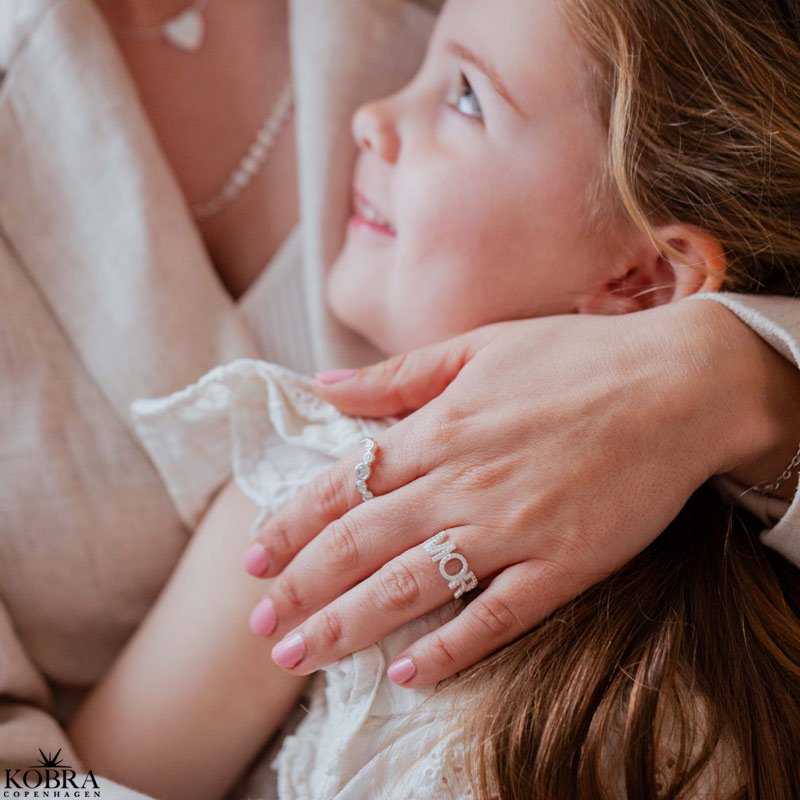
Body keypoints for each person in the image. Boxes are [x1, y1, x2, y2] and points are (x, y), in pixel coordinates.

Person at [1, 0, 799, 798]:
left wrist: (729, 376)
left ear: (638, 280)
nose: (369, 118)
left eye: (464, 97)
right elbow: (64, 784)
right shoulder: (305, 501)